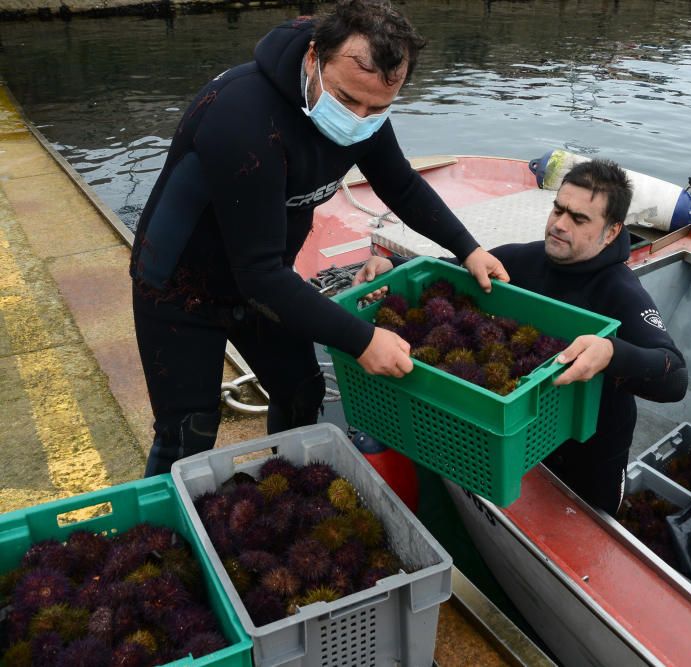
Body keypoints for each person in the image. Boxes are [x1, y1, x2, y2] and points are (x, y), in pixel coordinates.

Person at [130, 0, 509, 476]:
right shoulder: (243, 115)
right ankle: (161, 544)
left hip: (266, 281)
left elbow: (402, 184)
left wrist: (468, 248)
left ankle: (285, 487)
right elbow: (259, 273)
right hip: (181, 288)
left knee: (302, 389)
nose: (358, 117)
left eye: (378, 107)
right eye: (348, 100)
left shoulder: (364, 106)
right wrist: (362, 339)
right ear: (314, 58)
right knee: (188, 433)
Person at [354, 159, 688, 513]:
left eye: (578, 219)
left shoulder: (622, 292)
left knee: (593, 520)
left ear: (611, 231)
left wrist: (611, 353)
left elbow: (675, 377)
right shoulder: (525, 259)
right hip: (519, 433)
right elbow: (451, 274)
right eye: (558, 209)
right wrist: (395, 268)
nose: (559, 225)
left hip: (591, 452)